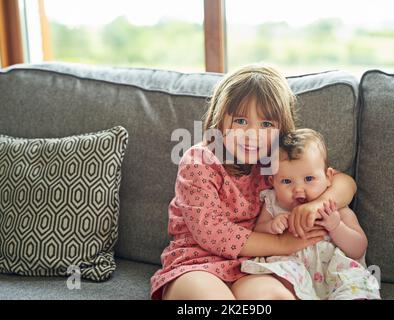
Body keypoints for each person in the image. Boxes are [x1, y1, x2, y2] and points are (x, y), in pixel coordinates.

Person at [150, 65, 357, 300]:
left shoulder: (278, 159)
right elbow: (214, 234)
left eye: (266, 124)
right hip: (196, 262)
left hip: (256, 266)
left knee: (274, 296)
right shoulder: (199, 162)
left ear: (281, 130)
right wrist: (282, 244)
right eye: (240, 120)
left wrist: (316, 205)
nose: (252, 134)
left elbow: (344, 182)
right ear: (219, 121)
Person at [241, 128, 380, 299]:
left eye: (309, 179)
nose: (298, 189)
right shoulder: (273, 203)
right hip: (292, 268)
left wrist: (337, 227)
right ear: (273, 182)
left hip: (335, 270)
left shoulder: (335, 206)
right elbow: (258, 232)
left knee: (355, 287)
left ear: (328, 176)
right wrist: (272, 226)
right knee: (276, 280)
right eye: (286, 181)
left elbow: (358, 248)